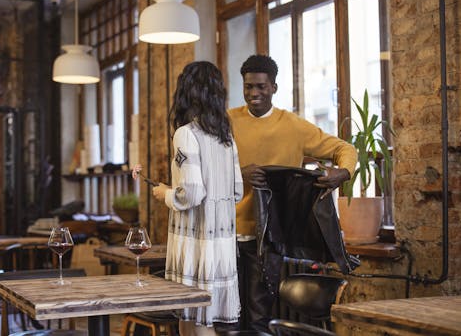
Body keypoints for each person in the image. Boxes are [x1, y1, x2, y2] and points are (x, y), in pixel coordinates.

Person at [227, 54, 358, 330]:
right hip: (224, 234)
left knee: (260, 320)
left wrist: (342, 173)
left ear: (274, 87)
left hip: (269, 237)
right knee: (227, 319)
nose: (254, 93)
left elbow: (344, 149)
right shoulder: (227, 121)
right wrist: (239, 174)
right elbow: (207, 170)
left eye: (261, 86)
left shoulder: (294, 126)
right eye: (248, 86)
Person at [133, 61, 243, 336]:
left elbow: (191, 193)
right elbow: (237, 190)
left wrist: (165, 193)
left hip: (195, 246)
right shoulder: (225, 137)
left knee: (195, 322)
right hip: (222, 246)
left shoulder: (185, 134)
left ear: (187, 92)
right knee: (197, 321)